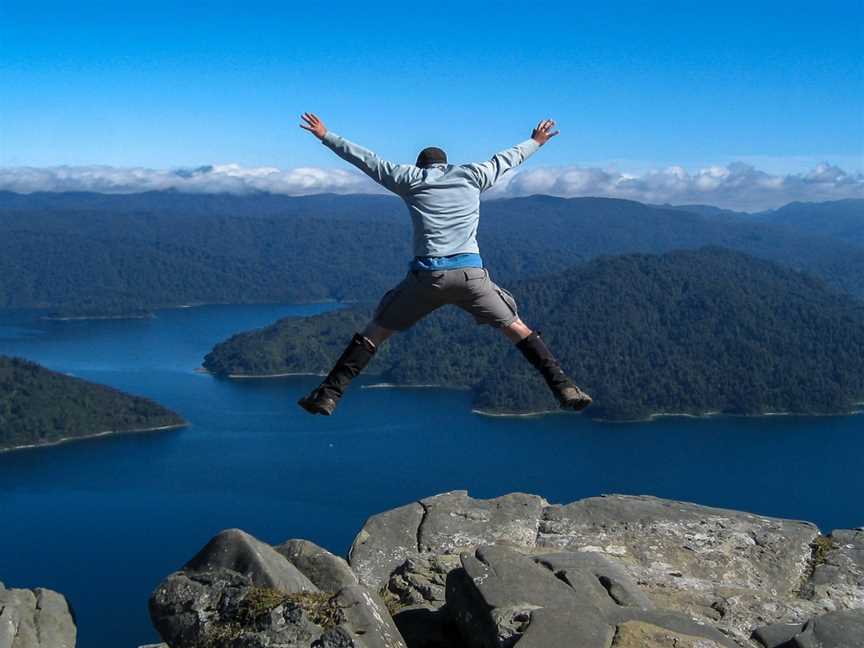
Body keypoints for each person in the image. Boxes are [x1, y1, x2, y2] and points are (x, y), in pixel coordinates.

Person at [297, 112, 592, 416]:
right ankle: (563, 386)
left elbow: (368, 161)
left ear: (420, 167)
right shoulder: (473, 175)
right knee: (517, 328)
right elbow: (507, 159)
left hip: (428, 277)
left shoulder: (409, 179)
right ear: (446, 164)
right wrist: (537, 141)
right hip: (470, 278)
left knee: (376, 331)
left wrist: (325, 135)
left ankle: (328, 395)